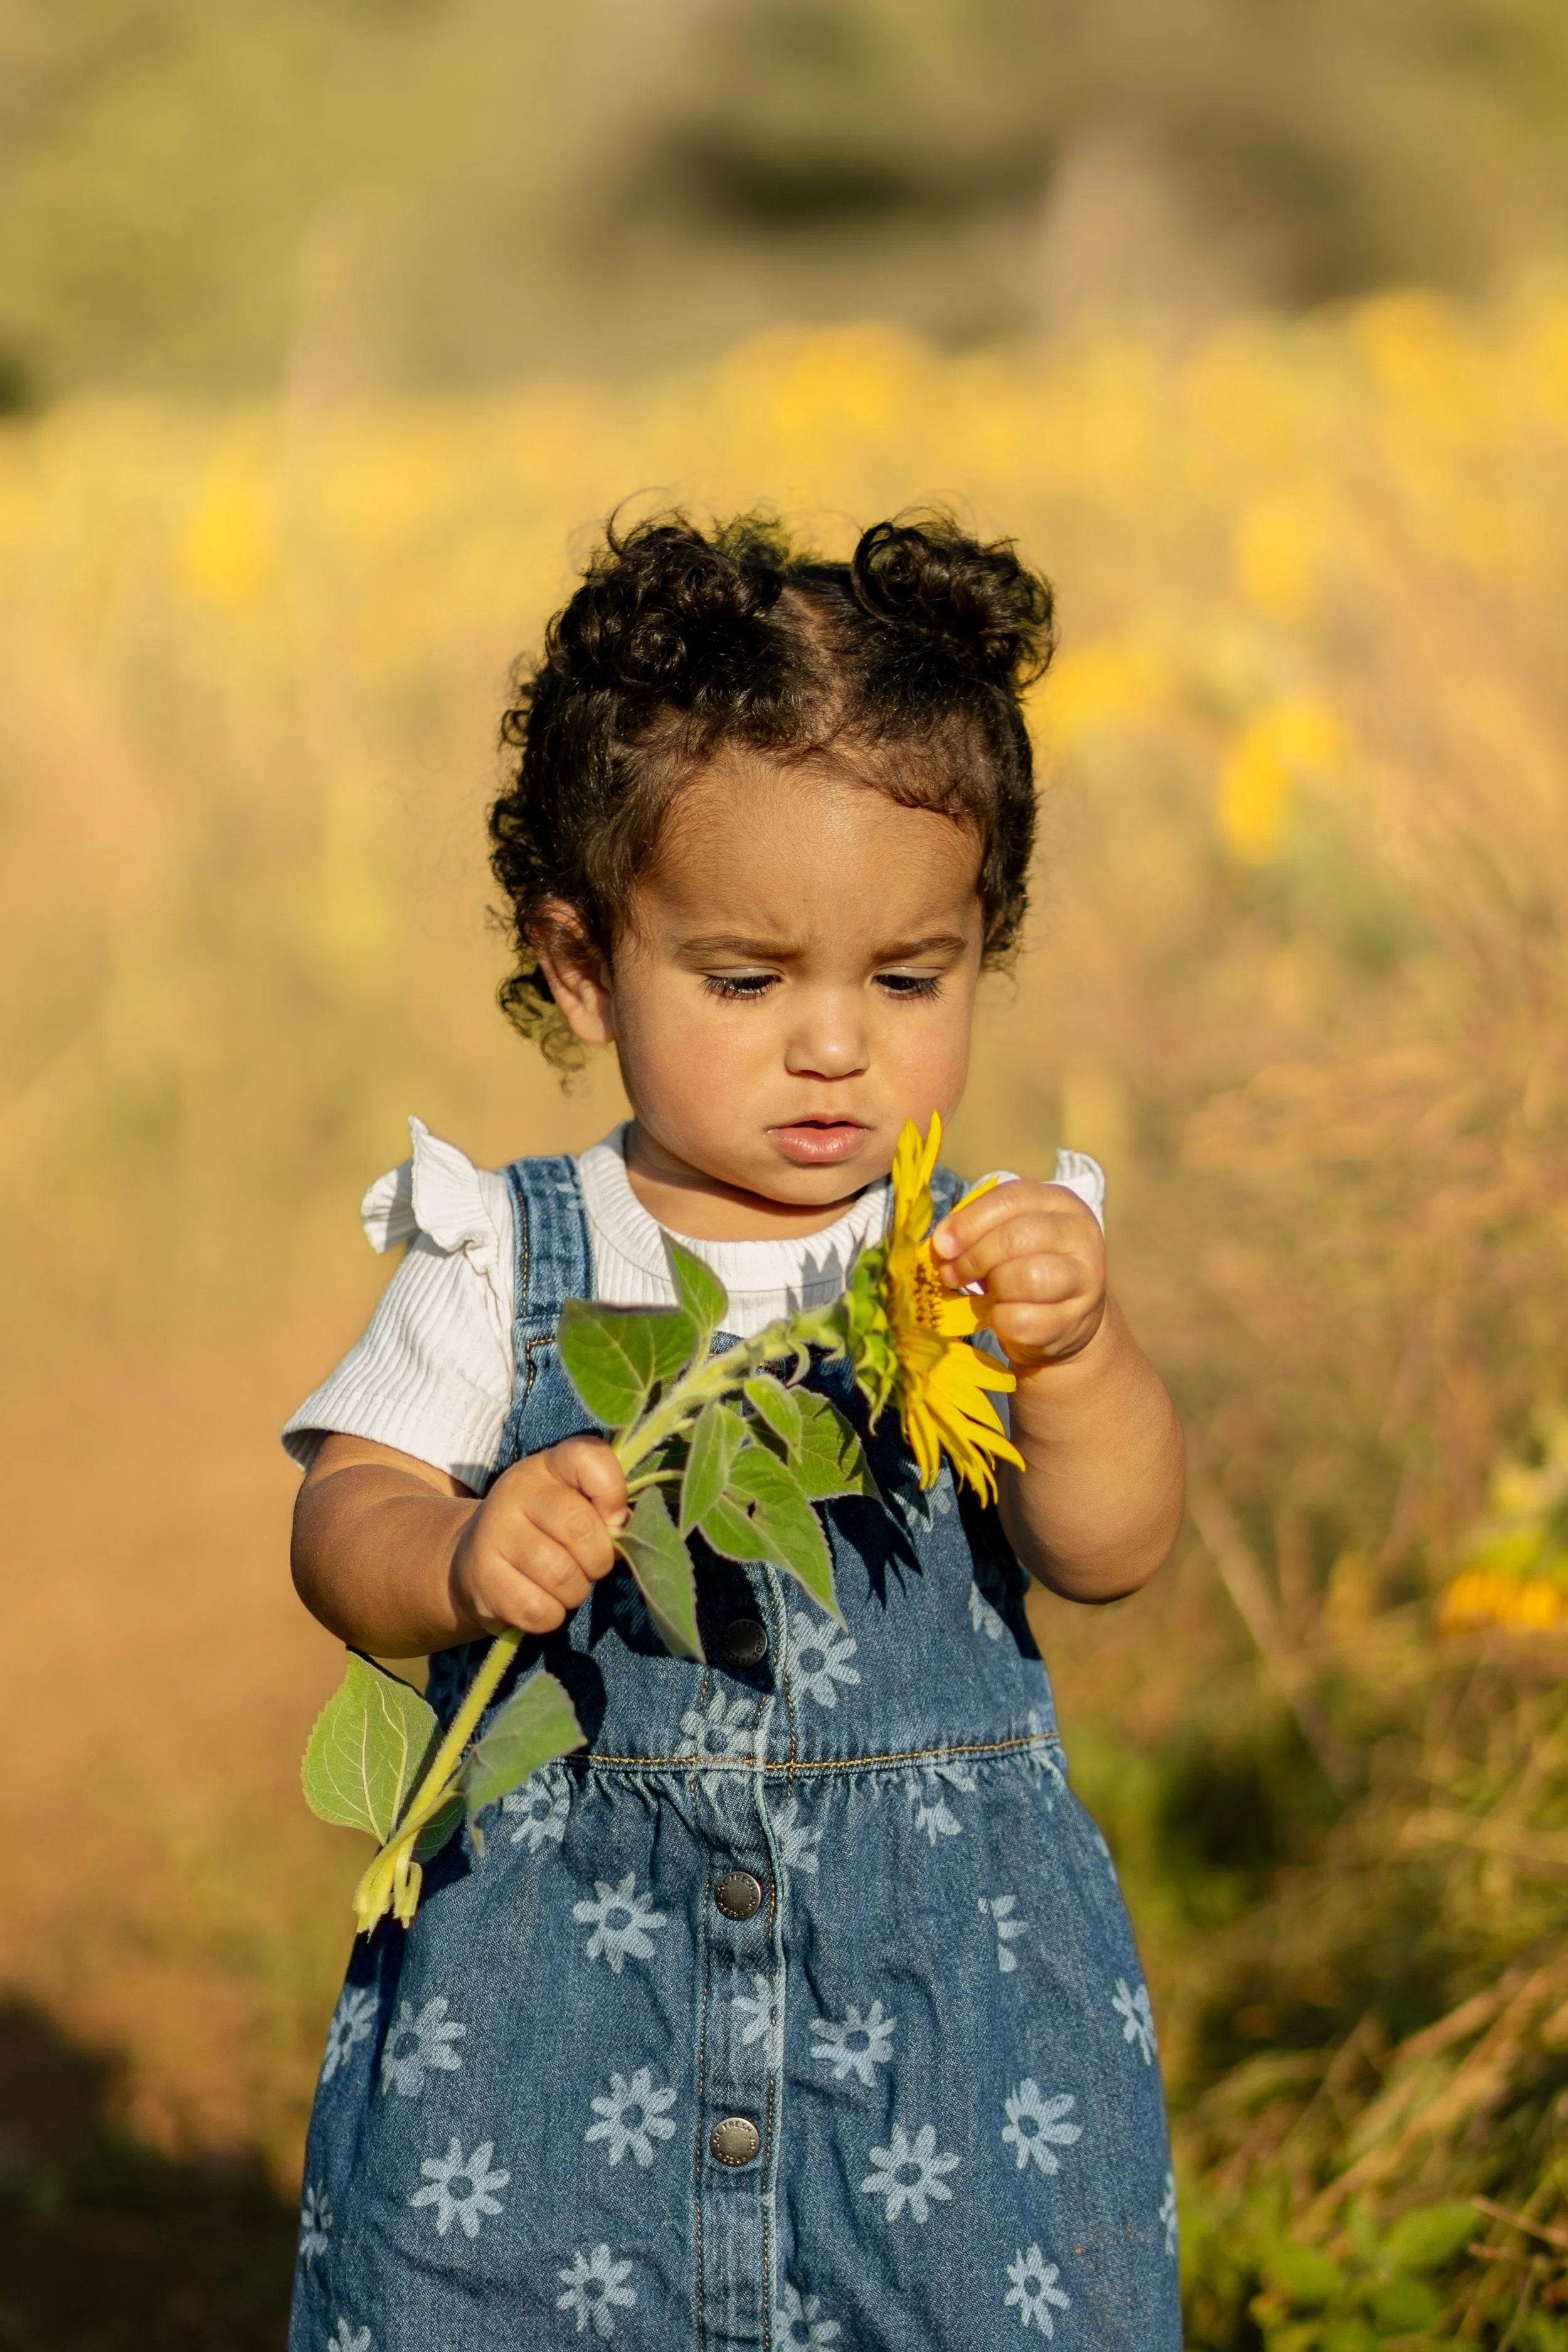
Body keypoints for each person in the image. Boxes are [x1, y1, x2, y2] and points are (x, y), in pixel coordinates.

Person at [283, 512, 1187, 2351]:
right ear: (588, 964)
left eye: (907, 979)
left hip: (943, 2026)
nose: (836, 1049)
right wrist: (454, 1556)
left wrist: (1077, 1354)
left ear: (978, 951)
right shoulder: (505, 1248)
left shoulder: (971, 1253)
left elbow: (1108, 1550)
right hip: (552, 2023)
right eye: (750, 980)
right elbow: (343, 1520)